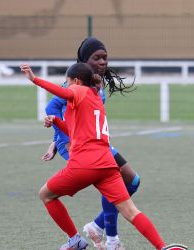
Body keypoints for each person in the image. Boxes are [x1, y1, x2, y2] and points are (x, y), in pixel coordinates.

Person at [20, 62, 170, 250]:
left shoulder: (79, 91)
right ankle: (163, 247)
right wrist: (57, 120)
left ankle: (74, 240)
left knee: (46, 195)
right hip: (107, 164)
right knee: (131, 211)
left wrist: (35, 80)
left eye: (67, 83)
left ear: (76, 81)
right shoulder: (95, 98)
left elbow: (64, 94)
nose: (66, 87)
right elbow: (77, 132)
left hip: (84, 164)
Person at [42, 37, 140, 250]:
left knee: (132, 181)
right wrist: (62, 141)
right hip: (78, 145)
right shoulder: (75, 84)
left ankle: (96, 227)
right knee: (111, 182)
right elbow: (52, 108)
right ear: (85, 61)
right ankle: (111, 241)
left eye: (105, 58)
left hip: (95, 143)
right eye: (97, 58)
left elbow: (74, 114)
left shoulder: (96, 82)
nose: (103, 62)